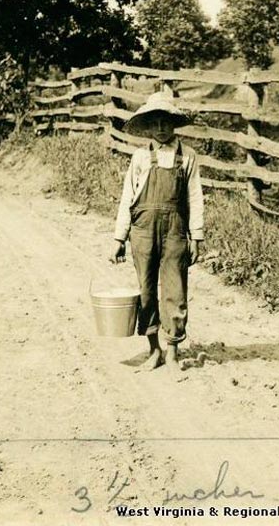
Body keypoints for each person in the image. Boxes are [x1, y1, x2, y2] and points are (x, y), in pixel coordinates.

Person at [111, 91, 204, 373]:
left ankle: (173, 351)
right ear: (148, 126)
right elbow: (128, 197)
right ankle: (154, 350)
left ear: (174, 124)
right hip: (142, 232)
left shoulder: (187, 157)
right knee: (146, 291)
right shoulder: (140, 157)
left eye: (166, 122)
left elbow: (195, 196)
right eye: (155, 123)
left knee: (175, 291)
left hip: (176, 231)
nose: (161, 129)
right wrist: (119, 238)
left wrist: (196, 235)